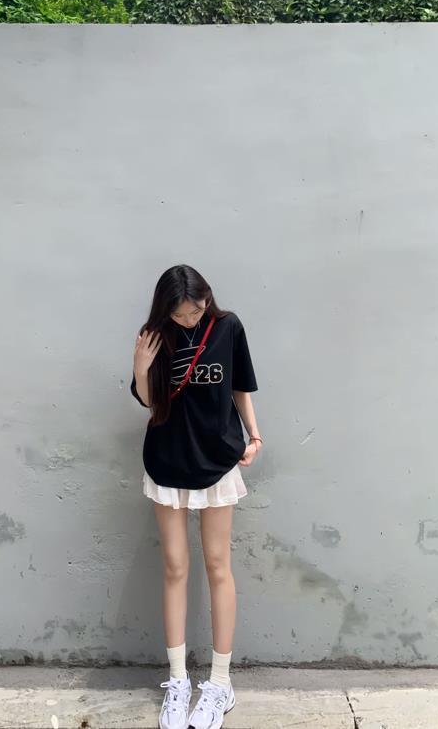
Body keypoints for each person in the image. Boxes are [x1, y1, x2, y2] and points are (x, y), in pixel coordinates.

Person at [130, 264, 262, 729]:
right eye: (182, 314)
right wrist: (140, 367)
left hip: (217, 458)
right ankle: (178, 681)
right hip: (168, 461)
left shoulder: (228, 327)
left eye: (197, 310)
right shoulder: (154, 335)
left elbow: (240, 387)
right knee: (174, 567)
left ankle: (220, 684)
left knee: (218, 565)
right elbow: (150, 401)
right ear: (165, 309)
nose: (190, 319)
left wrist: (255, 435)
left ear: (208, 299)